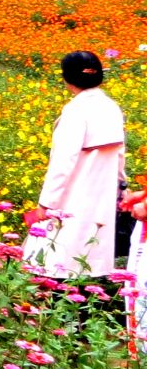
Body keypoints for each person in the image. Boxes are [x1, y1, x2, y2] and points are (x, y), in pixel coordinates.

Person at [25, 51, 126, 278]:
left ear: (67, 79)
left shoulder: (75, 110)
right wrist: (122, 188)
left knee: (56, 257)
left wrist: (46, 202)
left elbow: (62, 162)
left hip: (73, 193)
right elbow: (120, 155)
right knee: (91, 254)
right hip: (102, 193)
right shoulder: (111, 107)